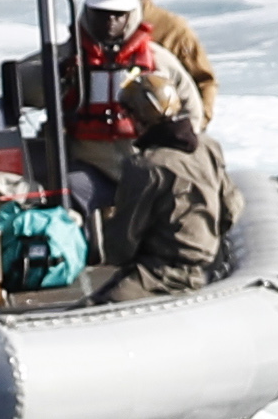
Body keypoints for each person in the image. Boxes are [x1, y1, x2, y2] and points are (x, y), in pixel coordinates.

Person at [61, 0, 197, 205]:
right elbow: (27, 84)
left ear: (130, 15)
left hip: (146, 166)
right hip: (92, 168)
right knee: (68, 192)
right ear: (88, 13)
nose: (110, 22)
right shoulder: (66, 58)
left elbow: (191, 107)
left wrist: (171, 151)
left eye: (118, 15)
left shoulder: (157, 60)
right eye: (102, 14)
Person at [89, 95, 229, 304]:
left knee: (98, 307)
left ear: (138, 119)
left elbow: (121, 245)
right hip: (210, 262)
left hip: (165, 272)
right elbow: (232, 207)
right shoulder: (208, 146)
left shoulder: (146, 166)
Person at [108, 0, 219, 126]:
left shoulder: (174, 29)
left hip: (156, 133)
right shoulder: (95, 20)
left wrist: (196, 127)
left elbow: (204, 81)